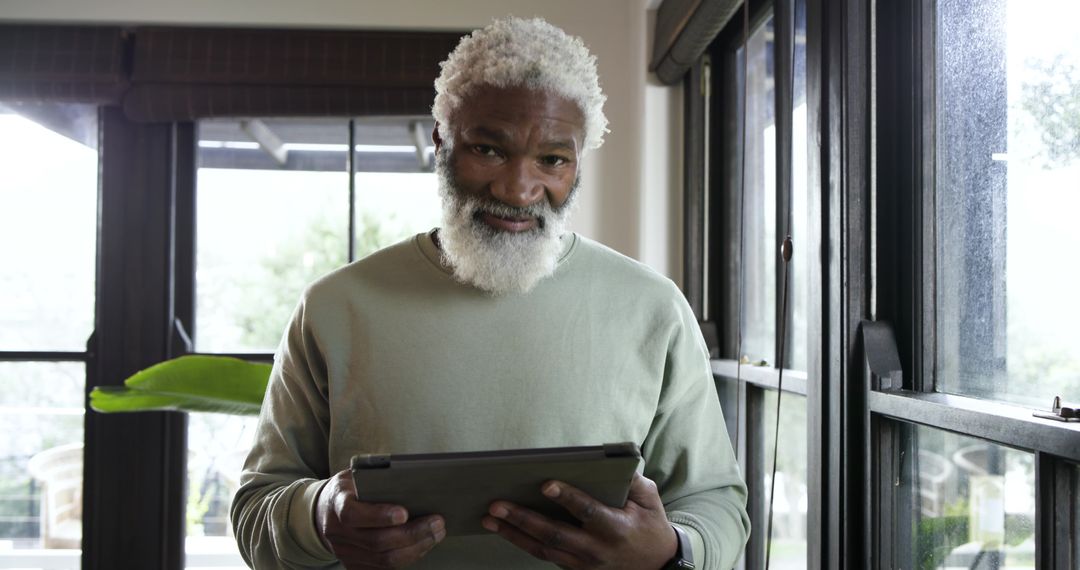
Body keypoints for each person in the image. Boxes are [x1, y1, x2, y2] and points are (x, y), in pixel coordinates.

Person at [231, 16, 749, 569]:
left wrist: (671, 550)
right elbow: (255, 512)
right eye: (489, 150)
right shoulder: (334, 307)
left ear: (577, 162)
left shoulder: (654, 309)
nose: (518, 189)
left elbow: (716, 504)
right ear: (441, 141)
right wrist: (319, 514)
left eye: (552, 159)